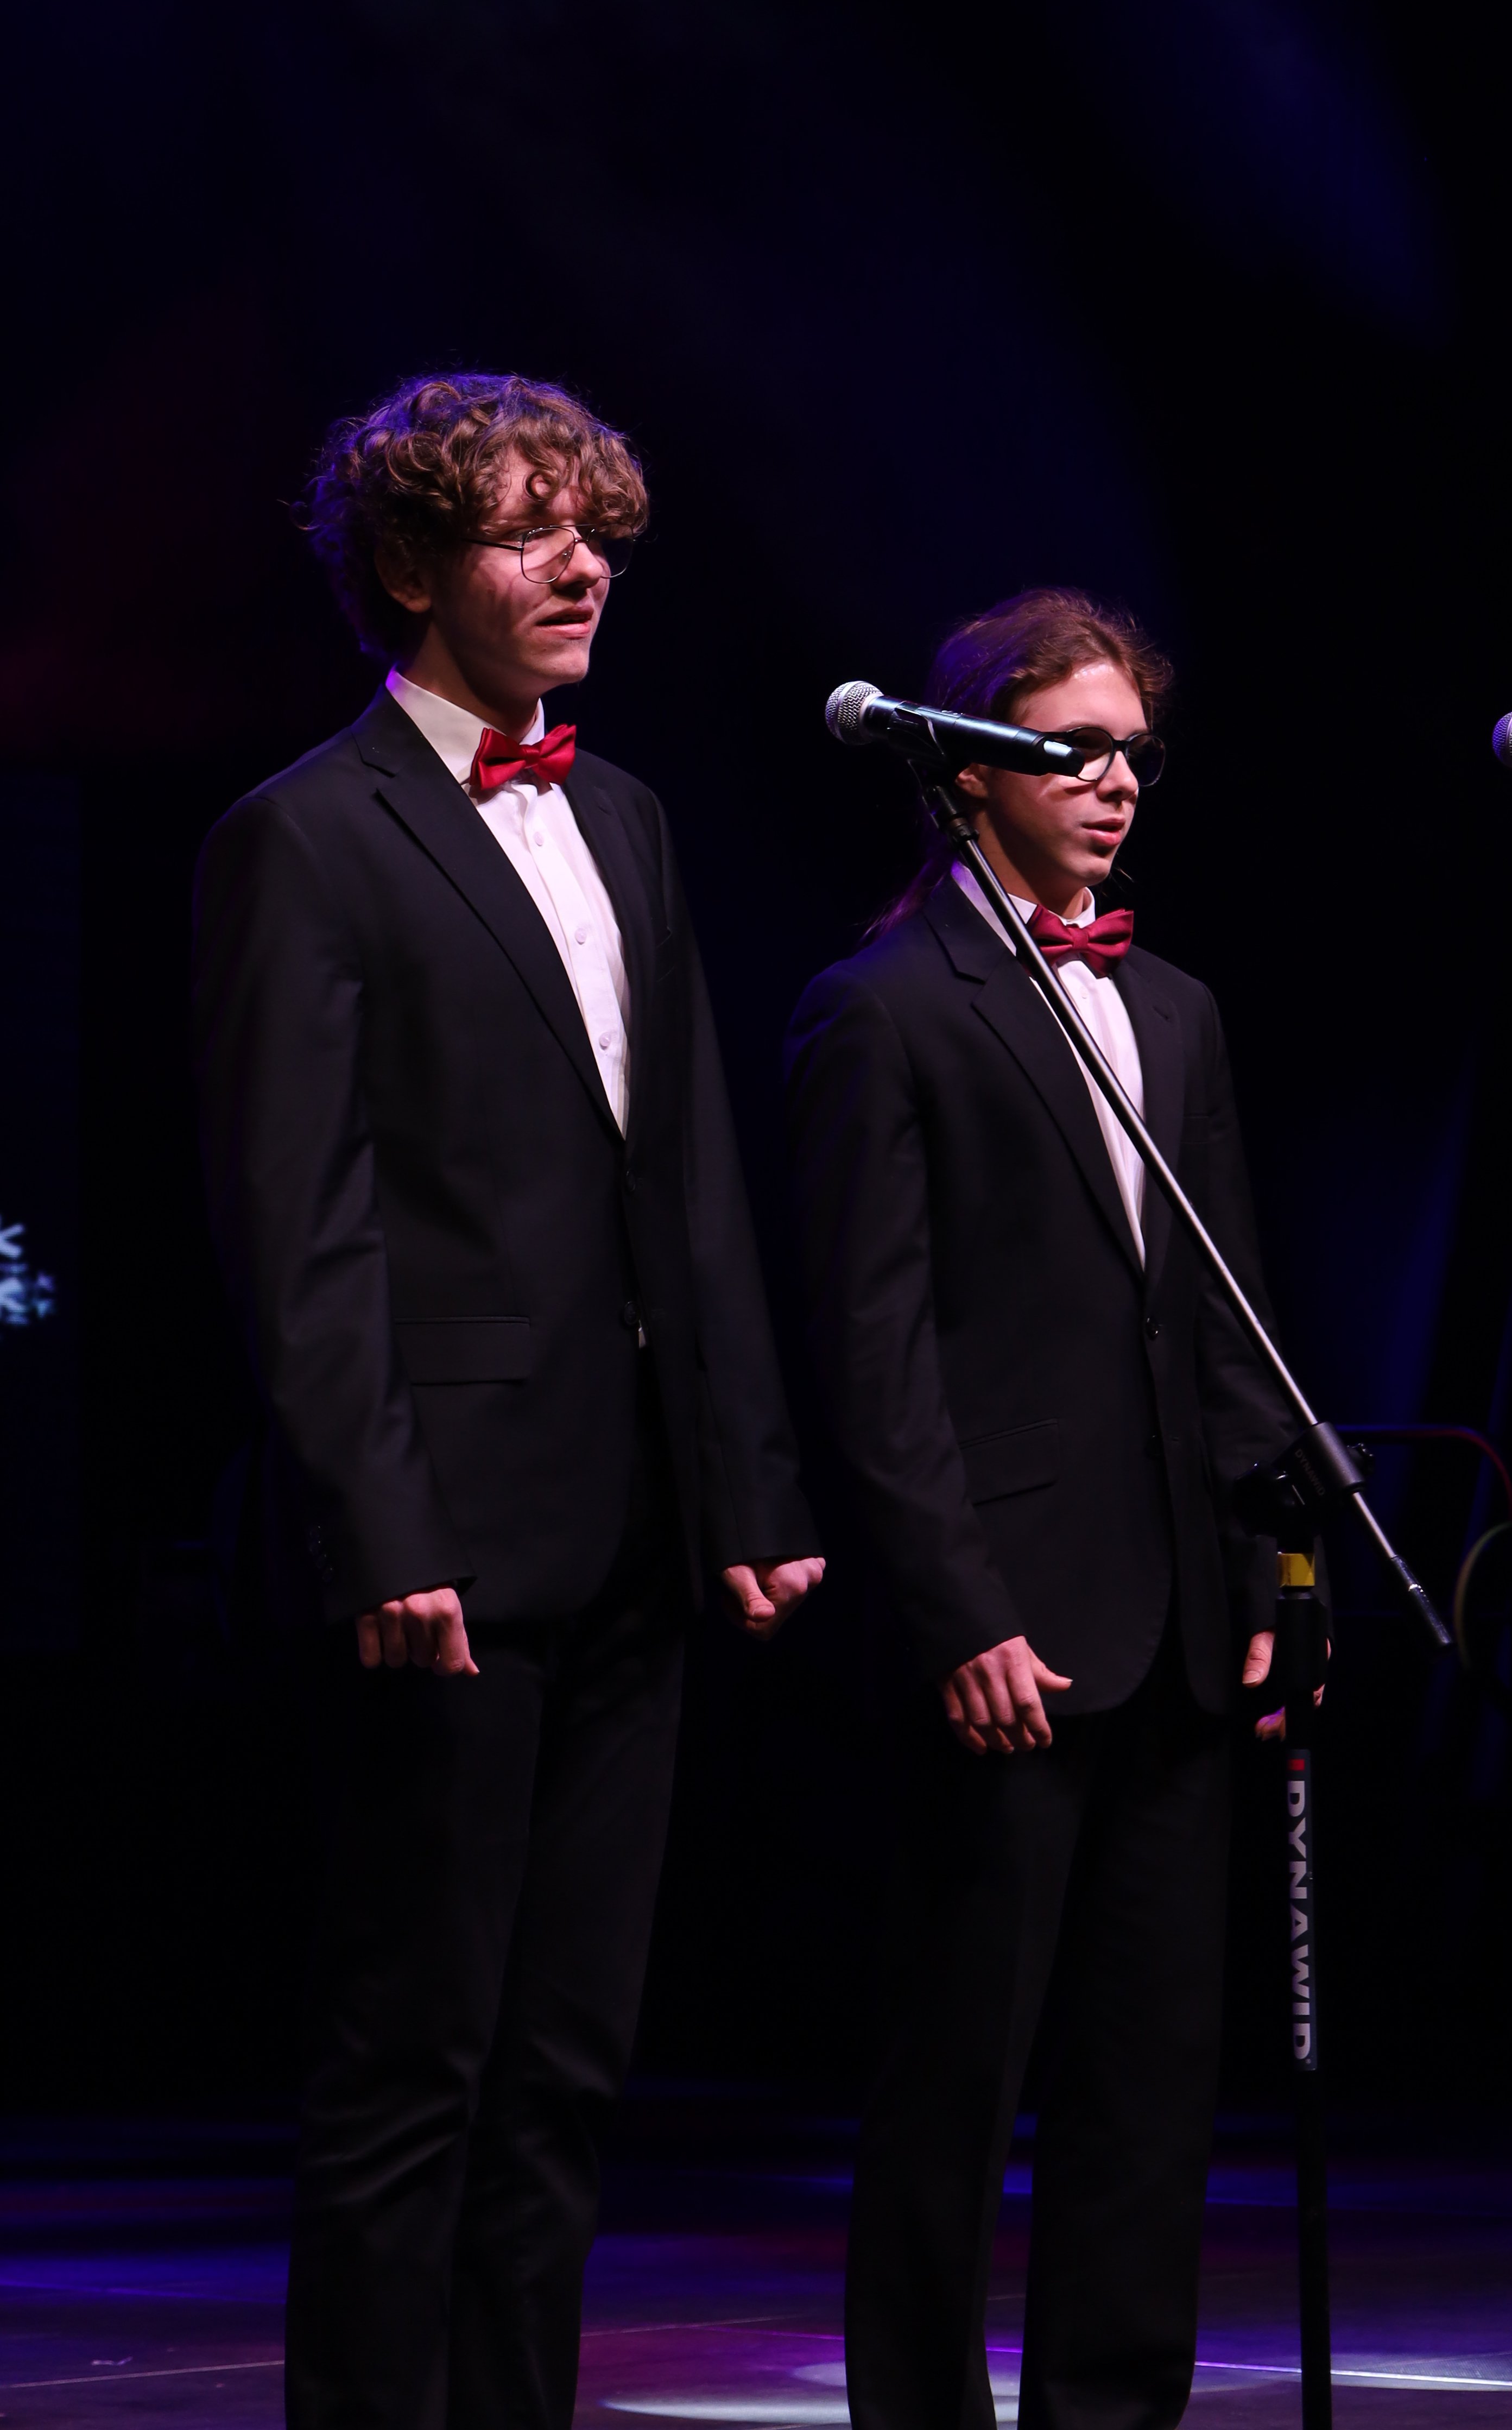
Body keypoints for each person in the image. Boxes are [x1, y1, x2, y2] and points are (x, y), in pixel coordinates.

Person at [192, 370, 823, 2430]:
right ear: (408, 565)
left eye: (596, 533)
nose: (580, 567)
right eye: (527, 530)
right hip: (447, 1540)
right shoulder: (305, 836)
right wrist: (382, 1527)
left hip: (638, 1525)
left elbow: (689, 1178)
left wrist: (749, 1487)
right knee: (415, 2068)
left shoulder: (622, 813)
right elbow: (304, 1226)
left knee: (566, 2069)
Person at [785, 587, 1299, 2430]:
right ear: (965, 766)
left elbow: (1227, 1320)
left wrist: (1268, 1568)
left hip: (1176, 1623)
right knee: (955, 2080)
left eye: (1134, 754)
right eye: (1072, 748)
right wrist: (960, 1610)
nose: (1115, 782)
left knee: (1148, 2083)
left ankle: (1112, 2411)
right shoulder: (880, 1010)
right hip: (1002, 1628)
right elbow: (870, 1354)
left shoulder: (1178, 1010)